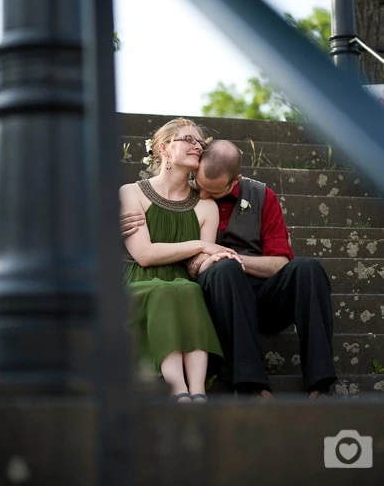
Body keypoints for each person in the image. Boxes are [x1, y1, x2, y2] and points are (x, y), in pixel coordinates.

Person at [121, 138, 337, 400]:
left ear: (235, 180)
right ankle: (251, 385)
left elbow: (280, 263)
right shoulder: (183, 196)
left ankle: (321, 383)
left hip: (260, 294)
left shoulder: (262, 196)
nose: (203, 195)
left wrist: (233, 258)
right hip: (216, 296)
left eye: (213, 192)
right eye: (199, 186)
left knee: (308, 269)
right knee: (225, 271)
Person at [120, 119, 241, 403]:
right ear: (163, 148)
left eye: (200, 142)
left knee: (188, 289)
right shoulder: (131, 192)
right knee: (164, 290)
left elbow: (198, 263)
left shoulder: (206, 206)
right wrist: (201, 244)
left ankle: (198, 391)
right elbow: (144, 255)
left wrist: (217, 257)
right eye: (188, 139)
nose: (197, 146)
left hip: (182, 279)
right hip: (139, 279)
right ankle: (178, 389)